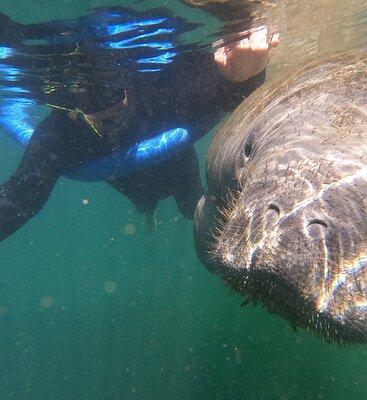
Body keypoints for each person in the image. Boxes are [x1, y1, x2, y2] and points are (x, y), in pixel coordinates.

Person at [0, 7, 279, 240]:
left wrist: (248, 74)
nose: (98, 113)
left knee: (191, 203)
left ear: (127, 84)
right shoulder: (59, 134)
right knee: (145, 202)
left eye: (106, 93)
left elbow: (227, 95)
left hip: (178, 167)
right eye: (78, 104)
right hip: (133, 188)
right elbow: (17, 200)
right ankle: (147, 211)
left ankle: (161, 210)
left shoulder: (161, 91)